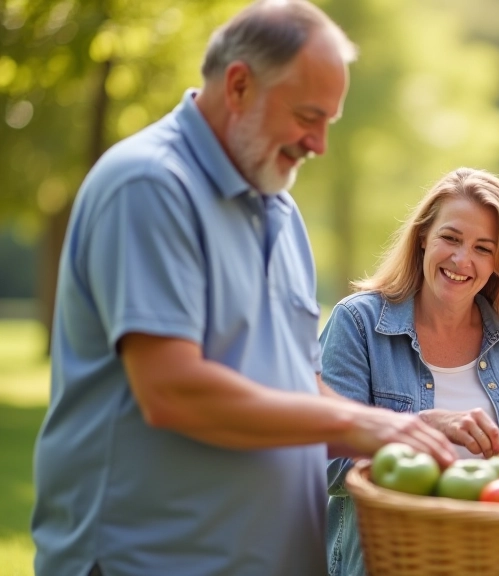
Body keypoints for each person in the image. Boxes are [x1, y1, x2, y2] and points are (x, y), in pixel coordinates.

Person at [31, 2, 456, 575]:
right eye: (309, 116)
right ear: (238, 85)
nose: (319, 143)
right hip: (150, 560)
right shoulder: (150, 185)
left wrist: (394, 429)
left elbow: (294, 387)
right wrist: (360, 424)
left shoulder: (278, 207)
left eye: (329, 121)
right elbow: (171, 389)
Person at [318, 167, 499, 576]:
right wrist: (419, 428)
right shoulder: (359, 322)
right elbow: (322, 464)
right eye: (451, 238)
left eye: (483, 248)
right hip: (382, 561)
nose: (462, 260)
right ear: (423, 237)